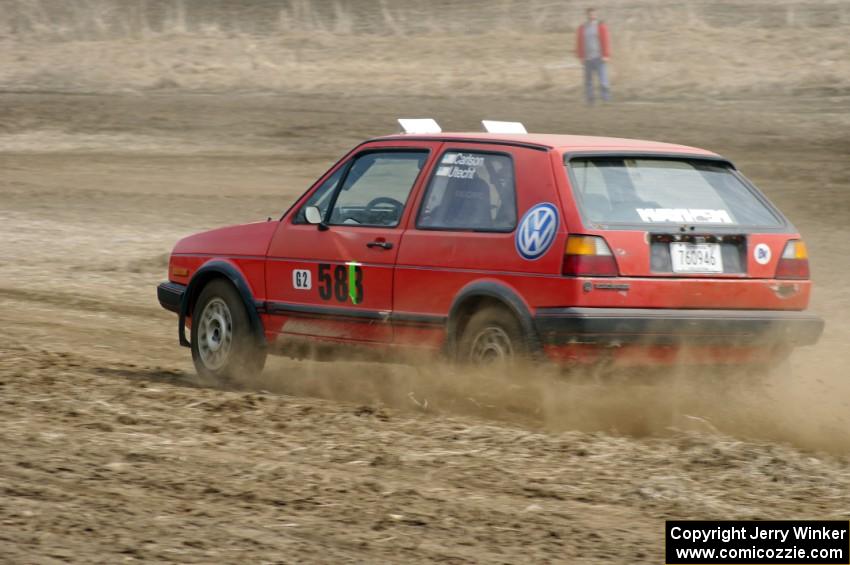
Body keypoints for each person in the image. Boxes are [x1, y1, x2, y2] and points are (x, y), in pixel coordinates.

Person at [575, 8, 611, 104]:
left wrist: (606, 55)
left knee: (603, 81)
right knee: (588, 82)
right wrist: (580, 56)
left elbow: (606, 41)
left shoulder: (601, 26)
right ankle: (590, 101)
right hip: (587, 59)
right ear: (587, 15)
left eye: (593, 14)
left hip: (599, 58)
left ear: (596, 15)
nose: (591, 16)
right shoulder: (582, 28)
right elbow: (579, 42)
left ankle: (606, 100)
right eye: (590, 14)